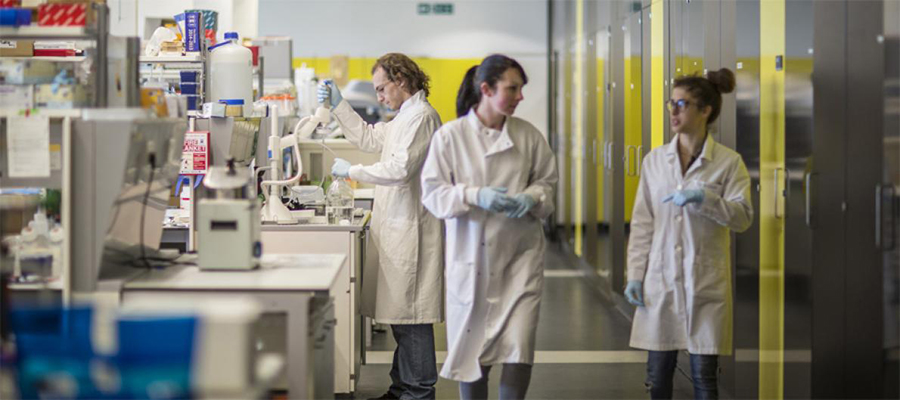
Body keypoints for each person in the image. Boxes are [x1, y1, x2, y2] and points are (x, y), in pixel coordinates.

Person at [420, 54, 558, 400]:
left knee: (518, 347)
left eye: (521, 89)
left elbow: (547, 182)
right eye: (513, 89)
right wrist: (474, 195)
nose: (520, 97)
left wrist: (533, 196)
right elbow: (432, 194)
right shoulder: (450, 137)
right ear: (486, 89)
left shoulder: (528, 136)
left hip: (520, 260)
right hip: (471, 262)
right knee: (473, 352)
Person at [317, 53, 443, 400]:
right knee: (401, 319)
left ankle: (418, 391)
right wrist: (340, 105)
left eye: (382, 88)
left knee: (412, 319)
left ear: (401, 80)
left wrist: (352, 172)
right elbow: (371, 139)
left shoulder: (422, 118)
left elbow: (400, 169)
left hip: (412, 232)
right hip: (398, 229)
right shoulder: (405, 117)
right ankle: (401, 387)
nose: (379, 97)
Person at [623, 68, 752, 400]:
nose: (674, 112)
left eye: (682, 104)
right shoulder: (654, 161)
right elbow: (642, 224)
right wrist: (635, 275)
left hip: (704, 282)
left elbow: (742, 218)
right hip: (659, 280)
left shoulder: (728, 163)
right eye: (672, 104)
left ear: (705, 110)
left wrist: (706, 199)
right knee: (657, 377)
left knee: (704, 379)